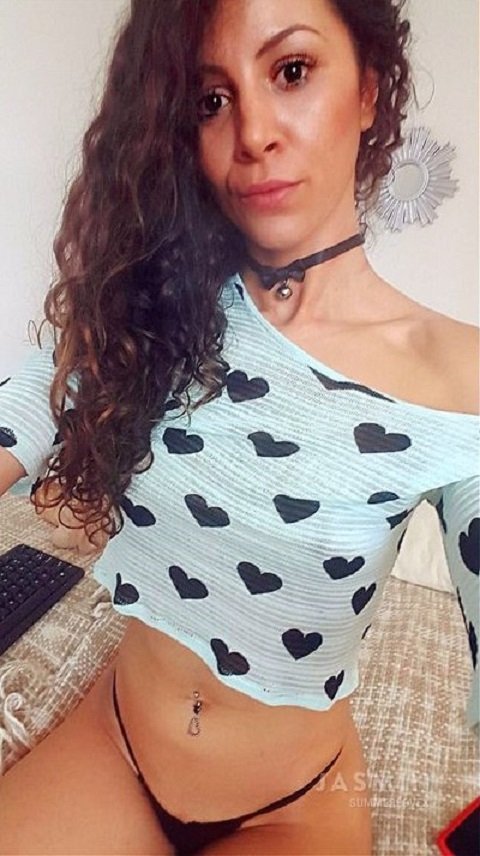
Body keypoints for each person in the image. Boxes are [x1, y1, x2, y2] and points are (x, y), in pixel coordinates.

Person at [0, 0, 478, 853]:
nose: (252, 133)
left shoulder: (462, 382)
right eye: (211, 100)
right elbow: (27, 402)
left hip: (292, 806)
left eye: (291, 71)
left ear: (369, 89)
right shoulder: (150, 309)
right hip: (115, 748)